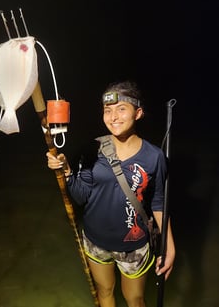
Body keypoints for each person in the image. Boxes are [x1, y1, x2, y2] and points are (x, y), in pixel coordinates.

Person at [46, 80, 175, 307]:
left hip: (134, 245)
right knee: (105, 291)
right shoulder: (91, 150)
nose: (113, 117)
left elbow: (158, 203)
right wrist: (67, 173)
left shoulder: (154, 157)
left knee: (134, 299)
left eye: (121, 109)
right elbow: (81, 196)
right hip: (96, 241)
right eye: (108, 111)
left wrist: (169, 247)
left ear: (139, 113)